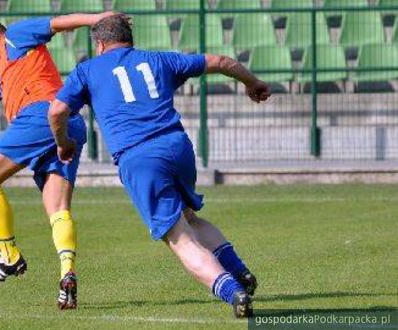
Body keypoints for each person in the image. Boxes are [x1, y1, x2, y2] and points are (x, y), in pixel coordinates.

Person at [48, 14, 271, 317]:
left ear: (99, 44)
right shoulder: (159, 60)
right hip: (177, 145)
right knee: (189, 216)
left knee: (178, 236)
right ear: (129, 38)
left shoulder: (87, 70)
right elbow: (219, 60)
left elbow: (57, 111)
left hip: (139, 158)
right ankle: (239, 271)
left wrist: (62, 142)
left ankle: (235, 293)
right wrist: (252, 82)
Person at [0, 12, 114, 309]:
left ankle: (9, 255)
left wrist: (100, 19)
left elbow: (58, 23)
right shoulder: (5, 71)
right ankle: (67, 274)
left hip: (40, 116)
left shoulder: (16, 35)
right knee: (58, 208)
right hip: (68, 123)